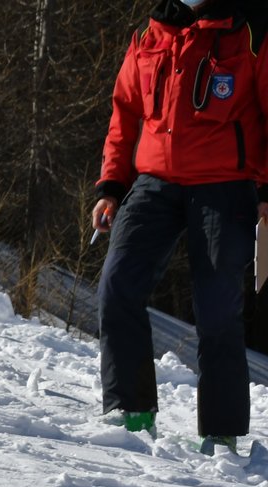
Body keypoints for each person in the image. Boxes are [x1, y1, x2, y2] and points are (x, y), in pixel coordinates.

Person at [93, 0, 268, 456]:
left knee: (216, 309)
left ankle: (221, 433)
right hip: (155, 182)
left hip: (224, 186)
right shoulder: (150, 33)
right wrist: (112, 186)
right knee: (117, 285)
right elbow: (125, 112)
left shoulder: (251, 30)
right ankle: (130, 413)